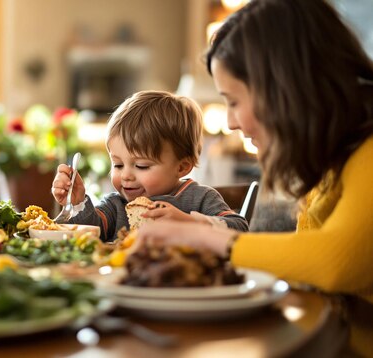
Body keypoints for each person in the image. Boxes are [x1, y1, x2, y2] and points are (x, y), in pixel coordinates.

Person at [135, 0, 373, 355]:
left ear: (281, 88)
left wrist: (203, 237)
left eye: (233, 101)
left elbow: (336, 263)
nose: (231, 122)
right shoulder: (335, 159)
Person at [51, 90, 249, 242]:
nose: (126, 175)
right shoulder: (116, 205)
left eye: (142, 166)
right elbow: (89, 233)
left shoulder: (201, 199)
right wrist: (76, 203)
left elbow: (240, 229)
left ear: (182, 167)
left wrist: (191, 222)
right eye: (118, 165)